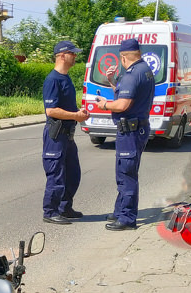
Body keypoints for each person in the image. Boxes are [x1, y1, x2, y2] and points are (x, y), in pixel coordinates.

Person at [95, 38, 156, 231]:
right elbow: (126, 96)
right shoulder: (144, 70)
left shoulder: (132, 74)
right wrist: (113, 82)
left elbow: (122, 104)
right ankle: (120, 210)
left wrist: (104, 104)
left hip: (130, 131)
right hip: (136, 128)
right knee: (125, 172)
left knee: (126, 174)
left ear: (123, 57)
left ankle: (127, 217)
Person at [42, 40, 90, 225]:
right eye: (73, 53)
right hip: (56, 136)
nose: (75, 56)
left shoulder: (66, 78)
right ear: (62, 55)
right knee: (56, 175)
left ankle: (65, 208)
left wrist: (80, 113)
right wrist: (75, 116)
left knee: (73, 174)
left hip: (68, 136)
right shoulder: (52, 80)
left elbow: (67, 107)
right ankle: (50, 211)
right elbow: (51, 111)